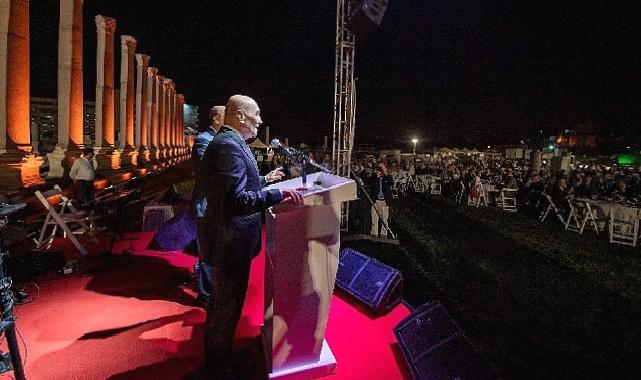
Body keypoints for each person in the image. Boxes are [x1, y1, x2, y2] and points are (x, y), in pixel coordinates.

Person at [199, 95, 304, 378]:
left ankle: (221, 358)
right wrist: (277, 194)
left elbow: (235, 186)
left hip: (229, 240)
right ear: (241, 117)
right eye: (256, 114)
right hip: (229, 241)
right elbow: (236, 200)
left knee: (226, 304)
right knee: (226, 307)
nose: (260, 120)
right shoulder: (229, 147)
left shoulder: (230, 143)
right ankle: (219, 368)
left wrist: (264, 181)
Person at [192, 105, 225, 304]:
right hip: (205, 206)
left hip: (216, 206)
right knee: (207, 252)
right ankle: (205, 296)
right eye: (224, 117)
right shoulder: (204, 140)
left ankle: (212, 291)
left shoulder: (218, 139)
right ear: (215, 119)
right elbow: (208, 172)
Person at [367, 162, 393, 238]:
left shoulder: (387, 178)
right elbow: (369, 183)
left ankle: (383, 234)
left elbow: (391, 182)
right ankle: (374, 234)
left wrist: (385, 172)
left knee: (385, 219)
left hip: (384, 201)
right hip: (375, 200)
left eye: (381, 169)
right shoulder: (374, 178)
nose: (379, 171)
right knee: (374, 218)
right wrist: (375, 176)